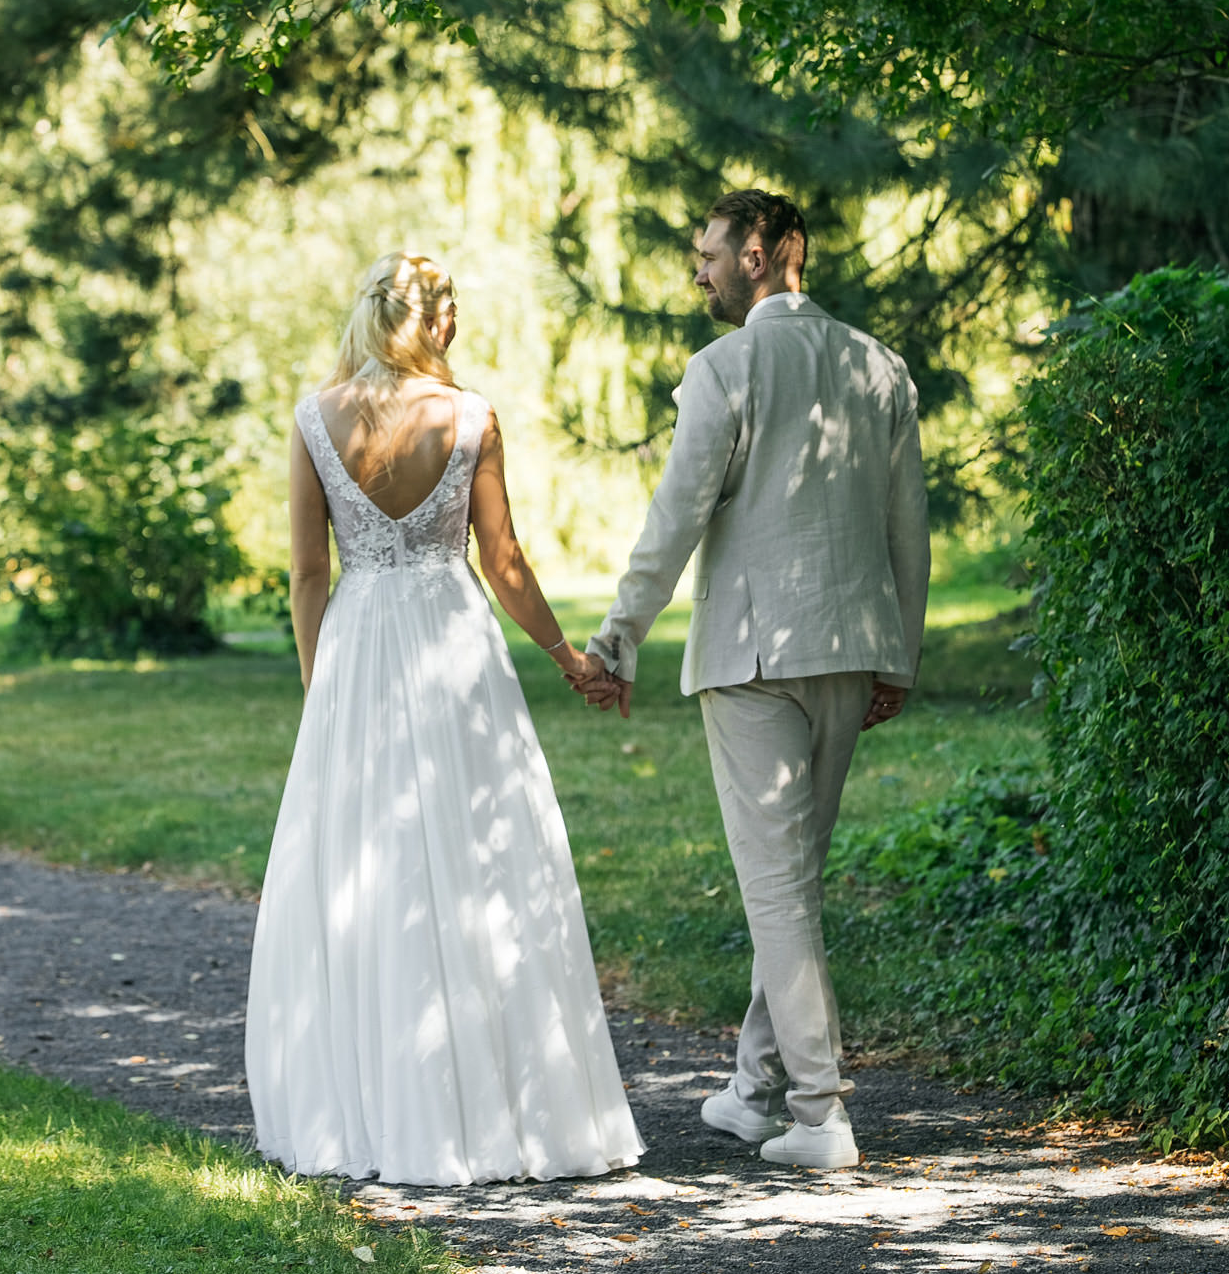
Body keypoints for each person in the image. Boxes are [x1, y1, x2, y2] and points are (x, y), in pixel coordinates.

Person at [246, 251, 642, 1186]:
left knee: (366, 864)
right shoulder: (469, 418)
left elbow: (308, 573)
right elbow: (502, 562)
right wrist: (564, 658)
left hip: (358, 651)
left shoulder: (314, 417)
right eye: (450, 306)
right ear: (427, 321)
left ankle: (375, 1110)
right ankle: (500, 1108)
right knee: (483, 857)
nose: (457, 319)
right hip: (452, 644)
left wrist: (319, 686)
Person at [581, 190, 929, 1171]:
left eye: (710, 253)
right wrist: (897, 653)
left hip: (751, 659)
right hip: (850, 651)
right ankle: (750, 1090)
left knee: (777, 896)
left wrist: (615, 641)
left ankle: (819, 1113)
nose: (697, 269)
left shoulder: (723, 368)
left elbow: (671, 520)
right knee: (793, 883)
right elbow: (909, 524)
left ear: (771, 253)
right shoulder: (878, 365)